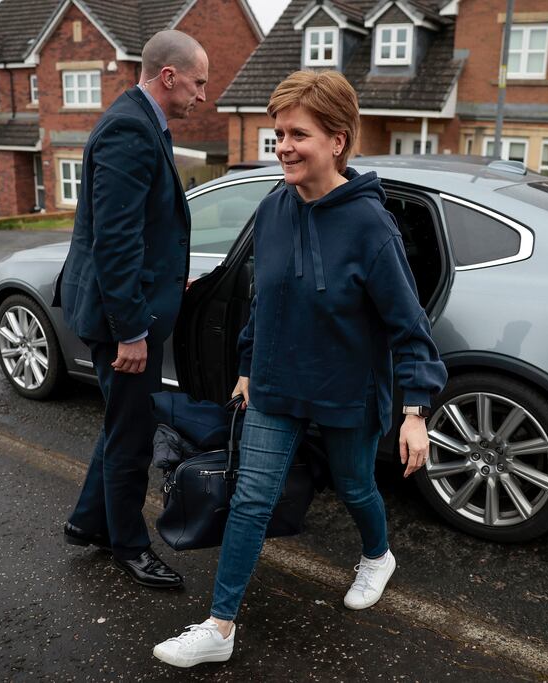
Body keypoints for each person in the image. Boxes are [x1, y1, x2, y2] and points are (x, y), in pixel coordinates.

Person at [152, 70, 447, 667]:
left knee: (357, 485)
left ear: (337, 141)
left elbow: (407, 324)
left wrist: (416, 411)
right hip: (277, 384)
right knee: (252, 498)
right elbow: (267, 299)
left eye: (298, 134)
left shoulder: (370, 225)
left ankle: (377, 556)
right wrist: (246, 365)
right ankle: (220, 627)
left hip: (347, 389)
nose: (283, 145)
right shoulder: (274, 211)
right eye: (278, 132)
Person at [54, 30, 208, 589]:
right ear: (168, 77)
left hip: (129, 305)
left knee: (123, 422)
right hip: (120, 319)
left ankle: (88, 523)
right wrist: (132, 331)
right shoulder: (129, 129)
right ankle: (128, 545)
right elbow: (114, 242)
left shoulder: (142, 121)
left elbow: (142, 228)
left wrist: (170, 278)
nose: (202, 95)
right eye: (198, 83)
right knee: (131, 434)